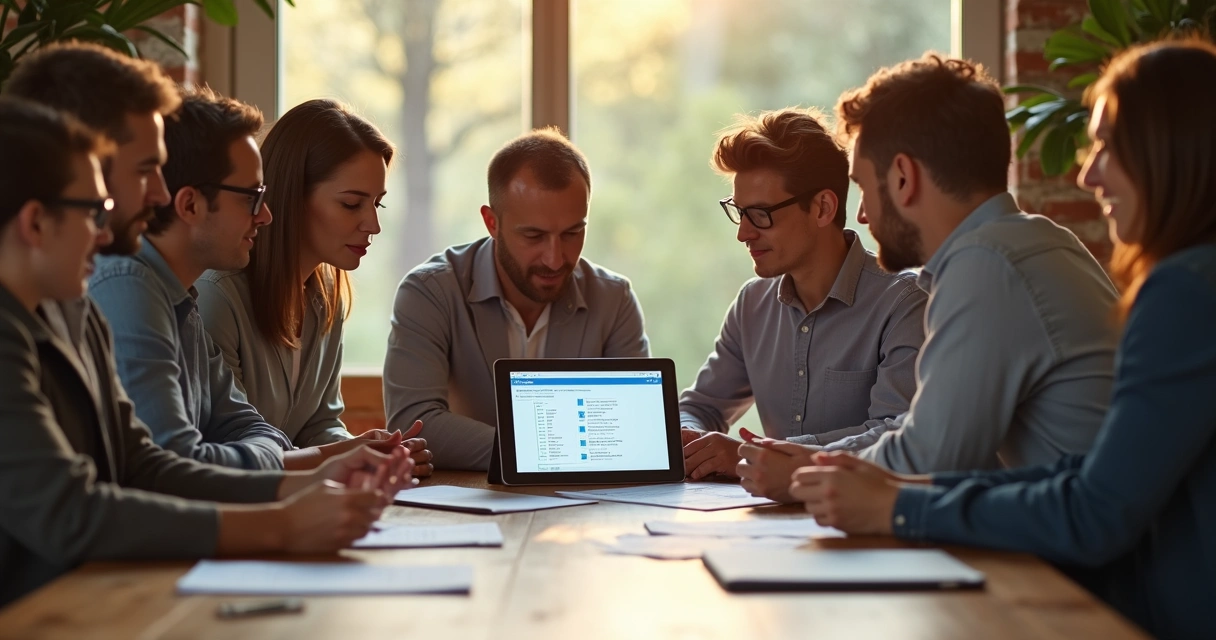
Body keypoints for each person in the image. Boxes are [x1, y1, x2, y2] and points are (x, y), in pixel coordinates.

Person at [787, 39, 1216, 640]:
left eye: (1108, 146)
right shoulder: (1048, 243)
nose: (1088, 172)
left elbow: (1093, 510)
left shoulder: (1180, 292)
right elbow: (1082, 474)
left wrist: (888, 500)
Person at [0, 96, 414, 609]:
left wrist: (306, 474)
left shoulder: (160, 296)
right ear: (35, 223)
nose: (108, 231)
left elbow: (152, 462)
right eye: (95, 210)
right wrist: (285, 512)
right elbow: (78, 508)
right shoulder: (122, 284)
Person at [736, 53, 1120, 500]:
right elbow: (930, 437)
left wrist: (804, 475)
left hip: (1084, 565)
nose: (860, 215)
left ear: (903, 177)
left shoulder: (987, 267)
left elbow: (931, 457)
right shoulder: (1036, 243)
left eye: (862, 187)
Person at [679, 107, 926, 481]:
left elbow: (897, 433)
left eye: (760, 214)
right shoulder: (752, 305)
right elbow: (700, 406)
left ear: (823, 208)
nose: (743, 233)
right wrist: (694, 439)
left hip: (864, 527)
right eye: (739, 212)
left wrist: (760, 456)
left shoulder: (903, 302)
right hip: (768, 523)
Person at [384, 128, 650, 470]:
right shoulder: (430, 292)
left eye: (572, 232)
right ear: (491, 222)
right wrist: (549, 452)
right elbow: (415, 425)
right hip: (464, 507)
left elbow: (636, 431)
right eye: (534, 235)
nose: (555, 259)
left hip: (581, 510)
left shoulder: (614, 299)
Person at [195, 98, 433, 476]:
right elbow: (228, 446)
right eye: (352, 204)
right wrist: (349, 455)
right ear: (290, 197)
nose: (372, 224)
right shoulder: (217, 296)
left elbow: (319, 425)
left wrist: (375, 453)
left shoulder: (325, 297)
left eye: (377, 204)